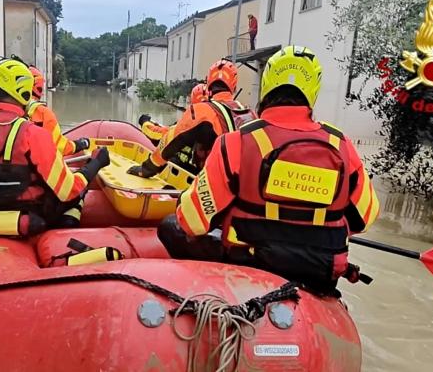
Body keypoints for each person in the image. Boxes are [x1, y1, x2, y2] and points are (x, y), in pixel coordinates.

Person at [157, 46, 380, 297]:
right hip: (320, 272)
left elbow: (192, 222)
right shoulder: (342, 145)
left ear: (267, 84)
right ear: (312, 91)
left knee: (169, 226)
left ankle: (200, 292)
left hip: (249, 265)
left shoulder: (237, 142)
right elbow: (366, 218)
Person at [0, 57, 109, 236]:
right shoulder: (33, 134)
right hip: (30, 217)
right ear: (24, 91)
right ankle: (65, 233)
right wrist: (95, 164)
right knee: (79, 193)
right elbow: (68, 190)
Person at [127, 59, 256, 178]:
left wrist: (147, 169)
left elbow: (169, 141)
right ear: (234, 85)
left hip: (216, 182)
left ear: (209, 83)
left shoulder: (201, 111)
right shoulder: (250, 113)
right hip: (245, 184)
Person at [26, 65, 90, 155]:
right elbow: (59, 146)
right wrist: (80, 144)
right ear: (38, 87)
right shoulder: (42, 113)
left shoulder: (1, 111)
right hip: (34, 166)